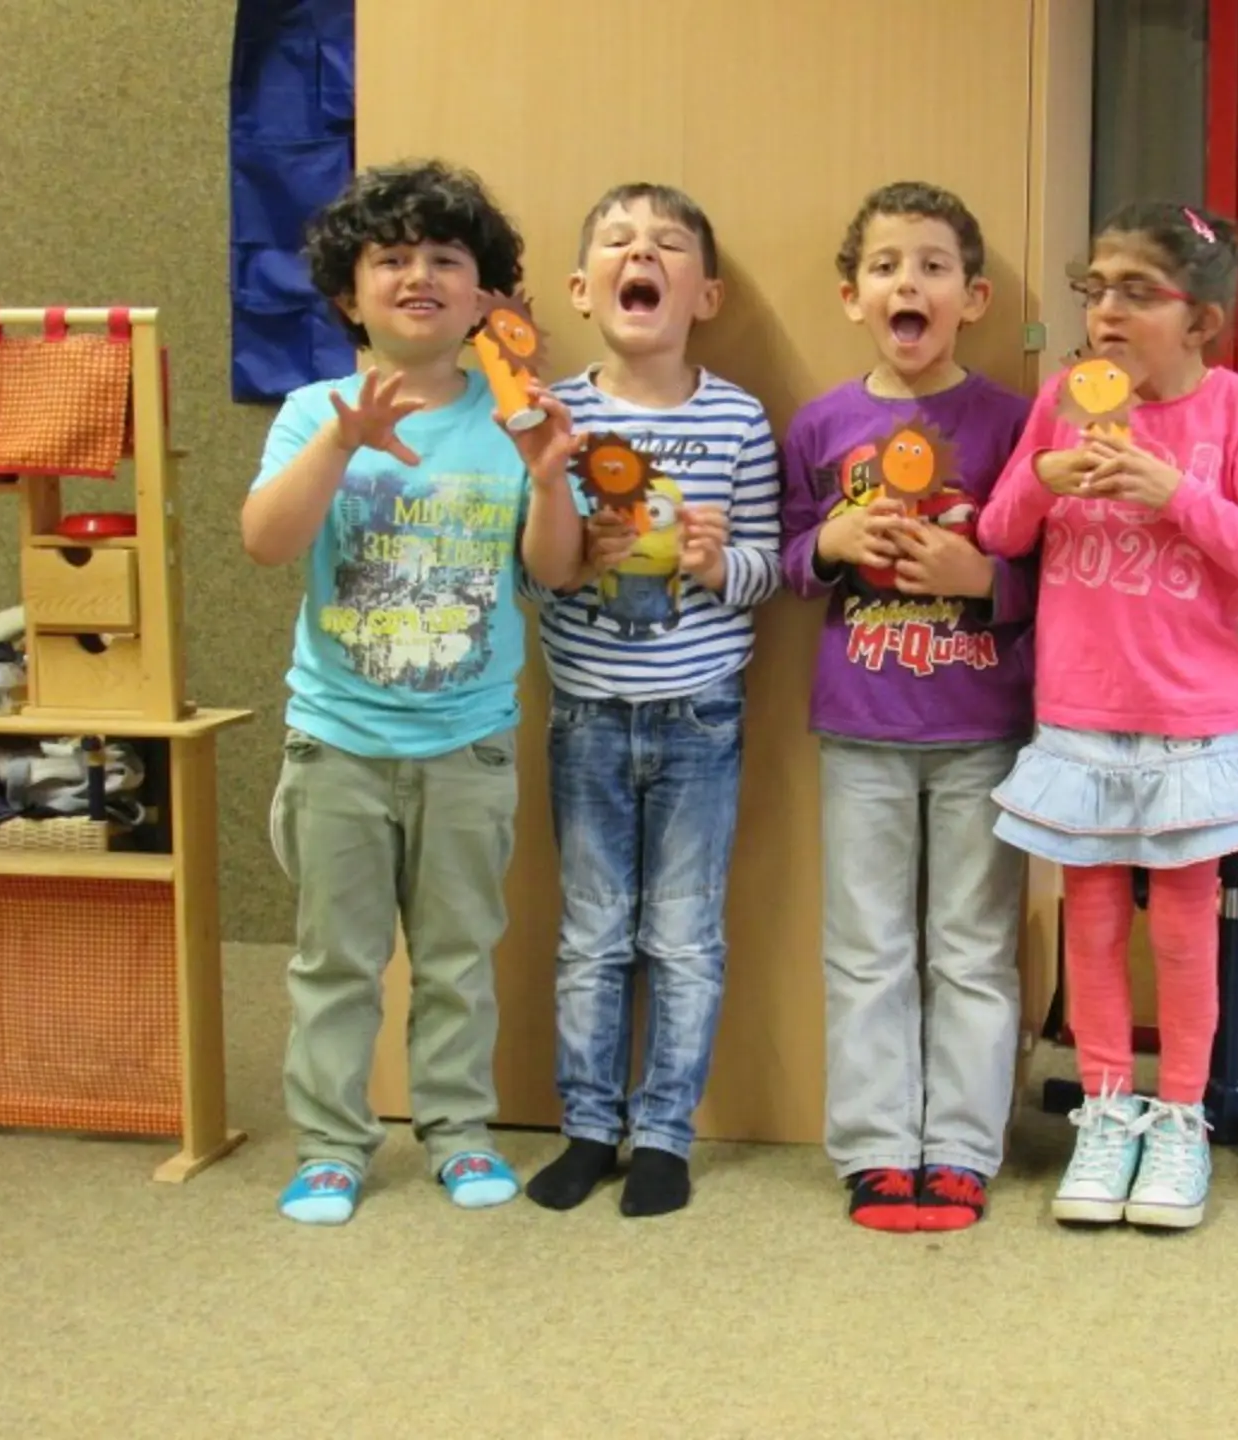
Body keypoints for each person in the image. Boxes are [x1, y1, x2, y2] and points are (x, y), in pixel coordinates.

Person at [243, 159, 586, 1225]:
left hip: (468, 745)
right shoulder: (311, 411)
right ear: (350, 293)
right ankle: (331, 1145)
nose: (419, 276)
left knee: (456, 959)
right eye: (390, 259)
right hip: (337, 744)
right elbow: (266, 543)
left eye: (446, 258)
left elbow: (556, 572)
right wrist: (341, 443)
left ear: (487, 297)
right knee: (335, 963)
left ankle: (458, 1131)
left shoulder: (516, 418)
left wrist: (548, 480)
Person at [979, 201, 1238, 1230]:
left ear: (1200, 320)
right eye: (1096, 290)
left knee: (1180, 924)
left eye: (1136, 292)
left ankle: (1179, 1119)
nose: (1107, 312)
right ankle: (1106, 1110)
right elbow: (998, 530)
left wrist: (1177, 493)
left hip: (1186, 717)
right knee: (1089, 920)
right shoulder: (1061, 402)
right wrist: (1045, 475)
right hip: (1078, 708)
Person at [522, 183, 781, 1218]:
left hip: (700, 715)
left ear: (705, 294)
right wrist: (579, 552)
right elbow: (534, 577)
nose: (643, 255)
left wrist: (719, 565)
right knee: (591, 934)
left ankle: (666, 1133)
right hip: (585, 711)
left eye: (669, 245)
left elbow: (769, 572)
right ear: (583, 289)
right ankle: (590, 1126)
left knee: (683, 936)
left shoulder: (738, 418)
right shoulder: (555, 415)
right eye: (620, 243)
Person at [779, 181, 1035, 1232]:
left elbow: (1055, 574)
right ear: (853, 297)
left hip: (984, 731)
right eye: (885, 266)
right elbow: (787, 559)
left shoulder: (1015, 423)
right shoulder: (821, 425)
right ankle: (878, 1148)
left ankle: (964, 1146)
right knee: (867, 947)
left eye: (932, 266)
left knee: (972, 948)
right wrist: (831, 544)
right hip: (861, 728)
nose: (908, 282)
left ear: (973, 298)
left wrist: (984, 580)